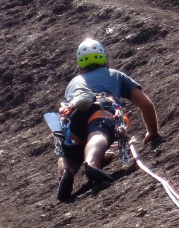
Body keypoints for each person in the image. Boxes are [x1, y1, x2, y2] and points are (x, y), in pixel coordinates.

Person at [56, 37, 160, 201]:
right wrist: (152, 132)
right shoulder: (116, 75)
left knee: (69, 153)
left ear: (79, 65)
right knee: (98, 134)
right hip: (101, 106)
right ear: (105, 59)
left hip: (72, 115)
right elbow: (146, 105)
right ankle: (92, 163)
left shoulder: (73, 82)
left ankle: (67, 172)